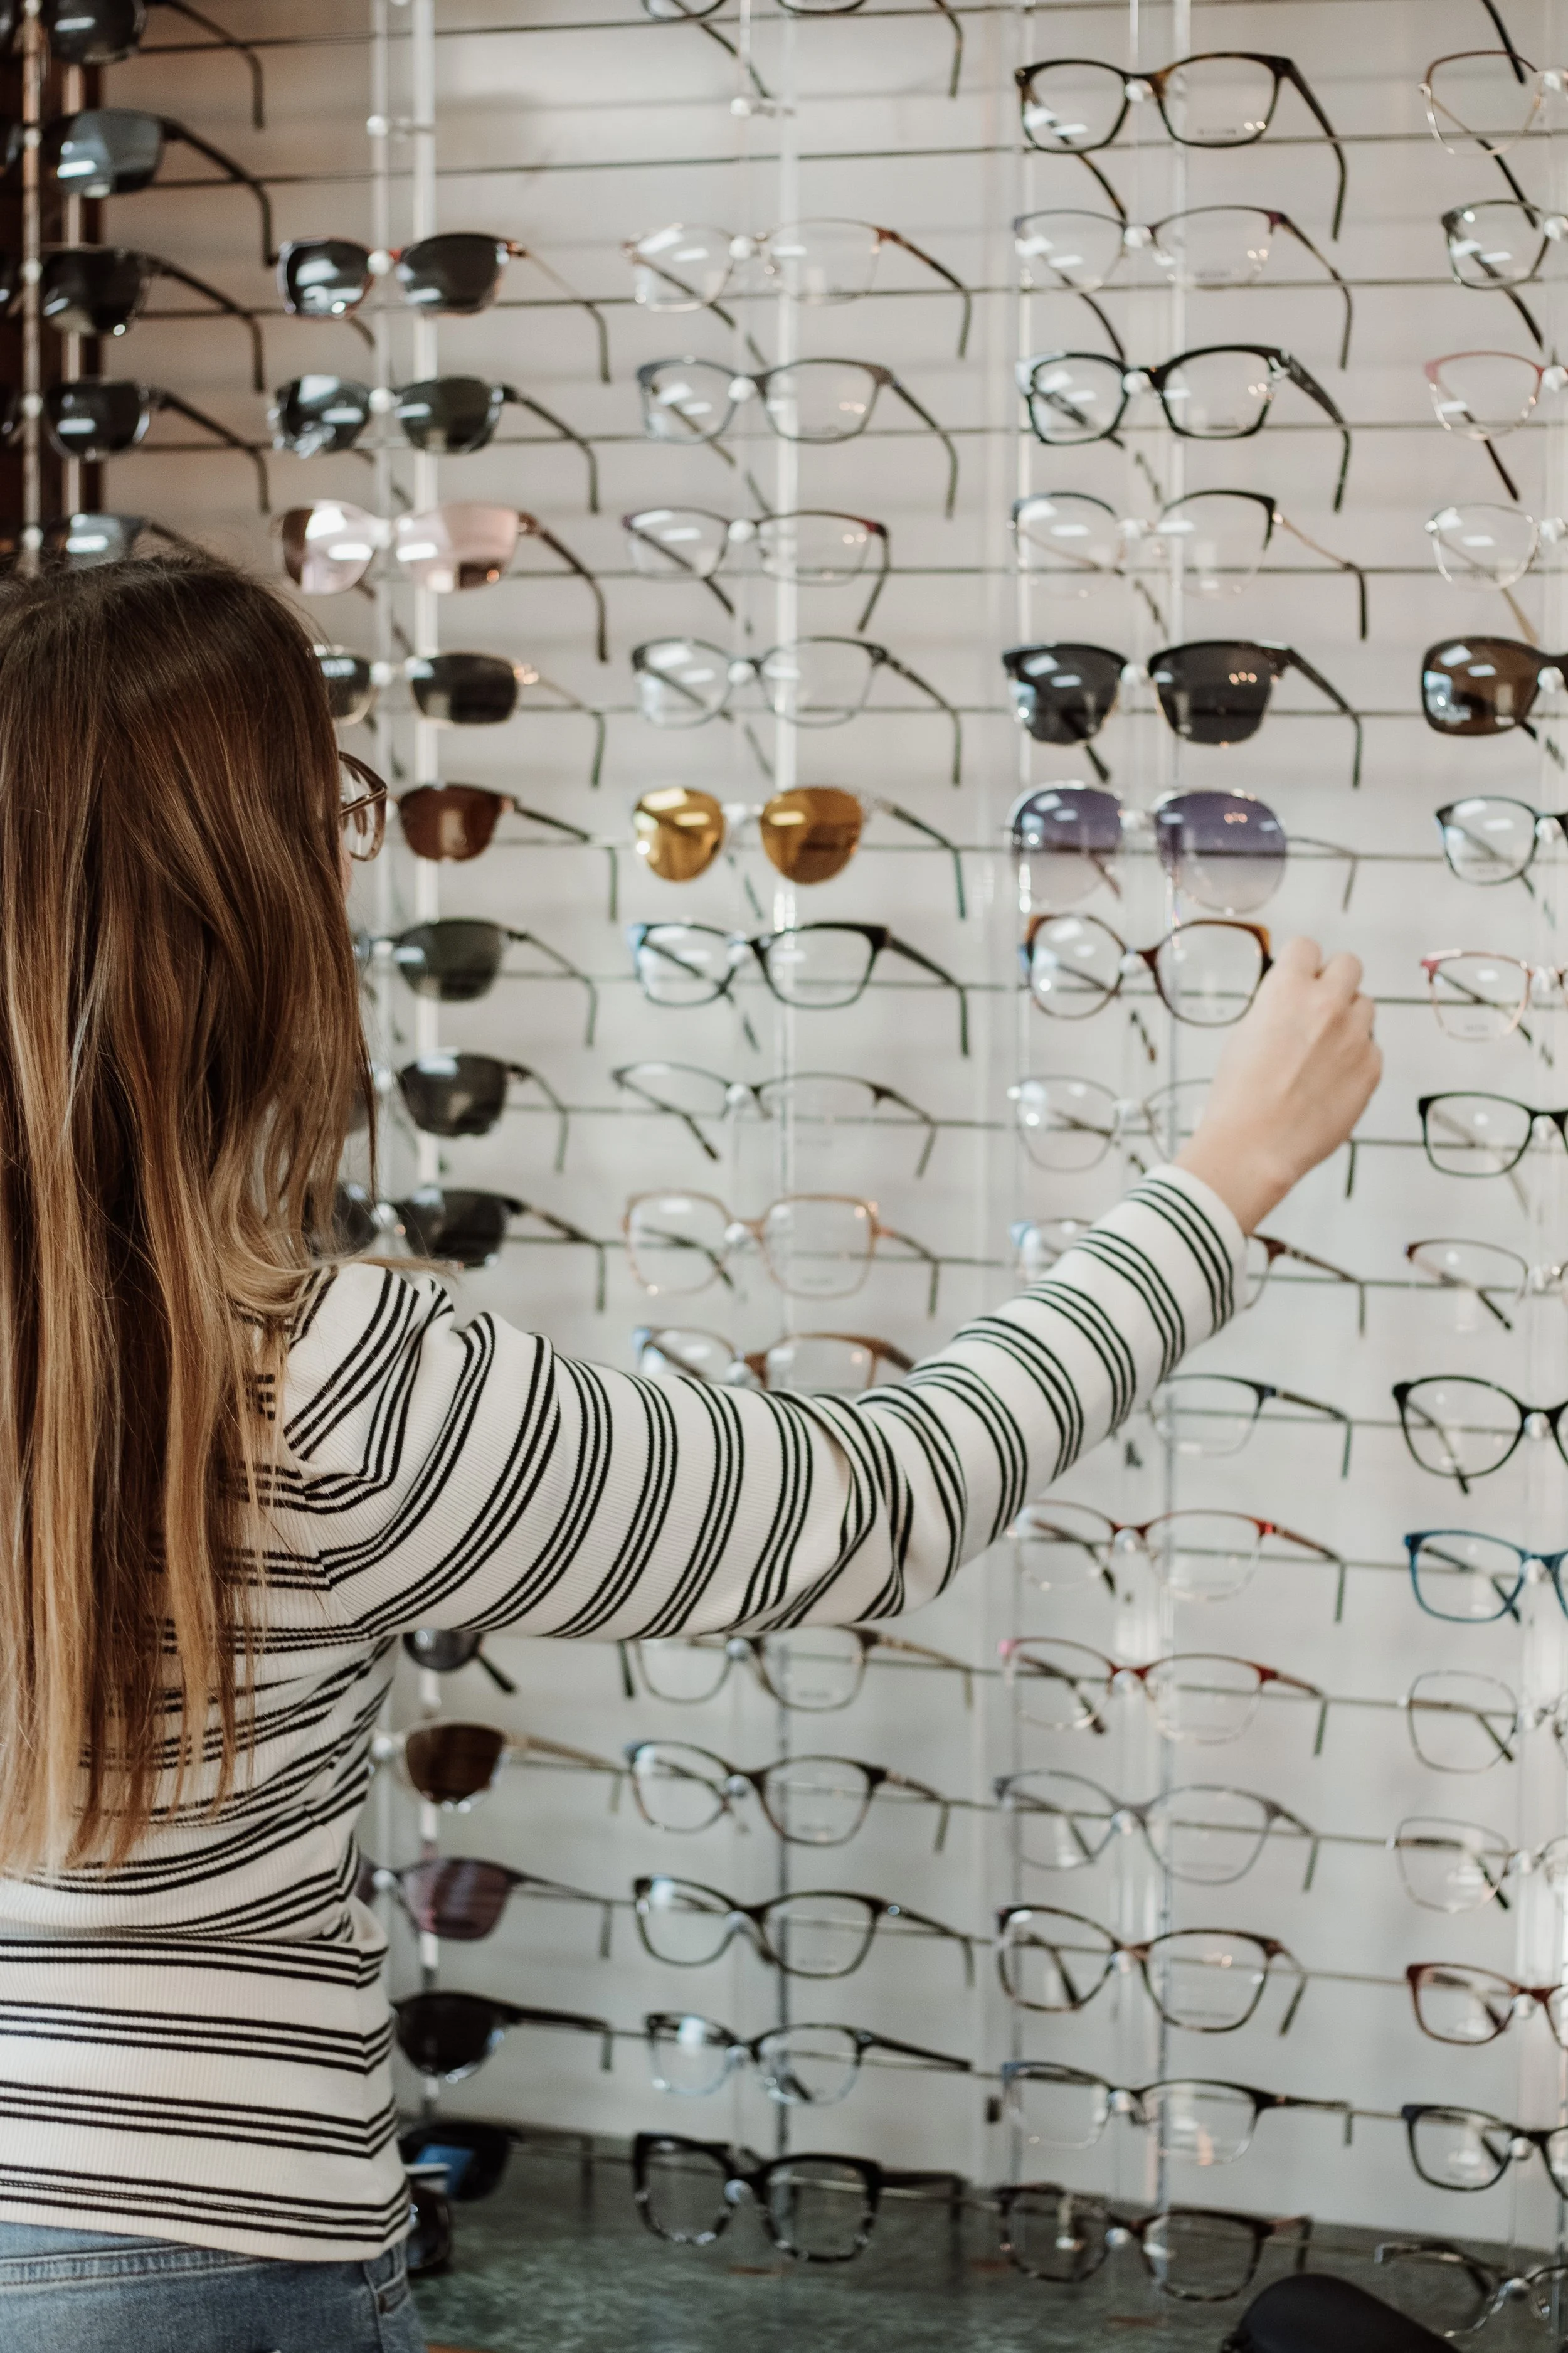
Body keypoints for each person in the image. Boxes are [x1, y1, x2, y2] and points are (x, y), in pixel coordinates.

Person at [0, 553, 1380, 2352]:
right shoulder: (328, 1380)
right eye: (325, 806)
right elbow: (872, 1504)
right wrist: (1225, 1176)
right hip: (191, 2274)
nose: (354, 854)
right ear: (235, 896)